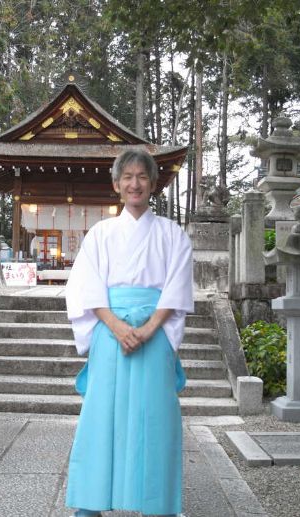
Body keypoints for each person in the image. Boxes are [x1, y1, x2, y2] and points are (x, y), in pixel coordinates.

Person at [65, 148, 193, 517]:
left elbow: (177, 286)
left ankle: (159, 505)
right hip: (110, 333)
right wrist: (118, 326)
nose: (134, 184)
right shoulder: (101, 233)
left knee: (156, 418)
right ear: (117, 184)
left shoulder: (173, 234)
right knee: (101, 416)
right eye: (127, 177)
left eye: (142, 177)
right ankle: (90, 503)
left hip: (156, 332)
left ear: (153, 184)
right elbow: (87, 287)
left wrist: (151, 327)